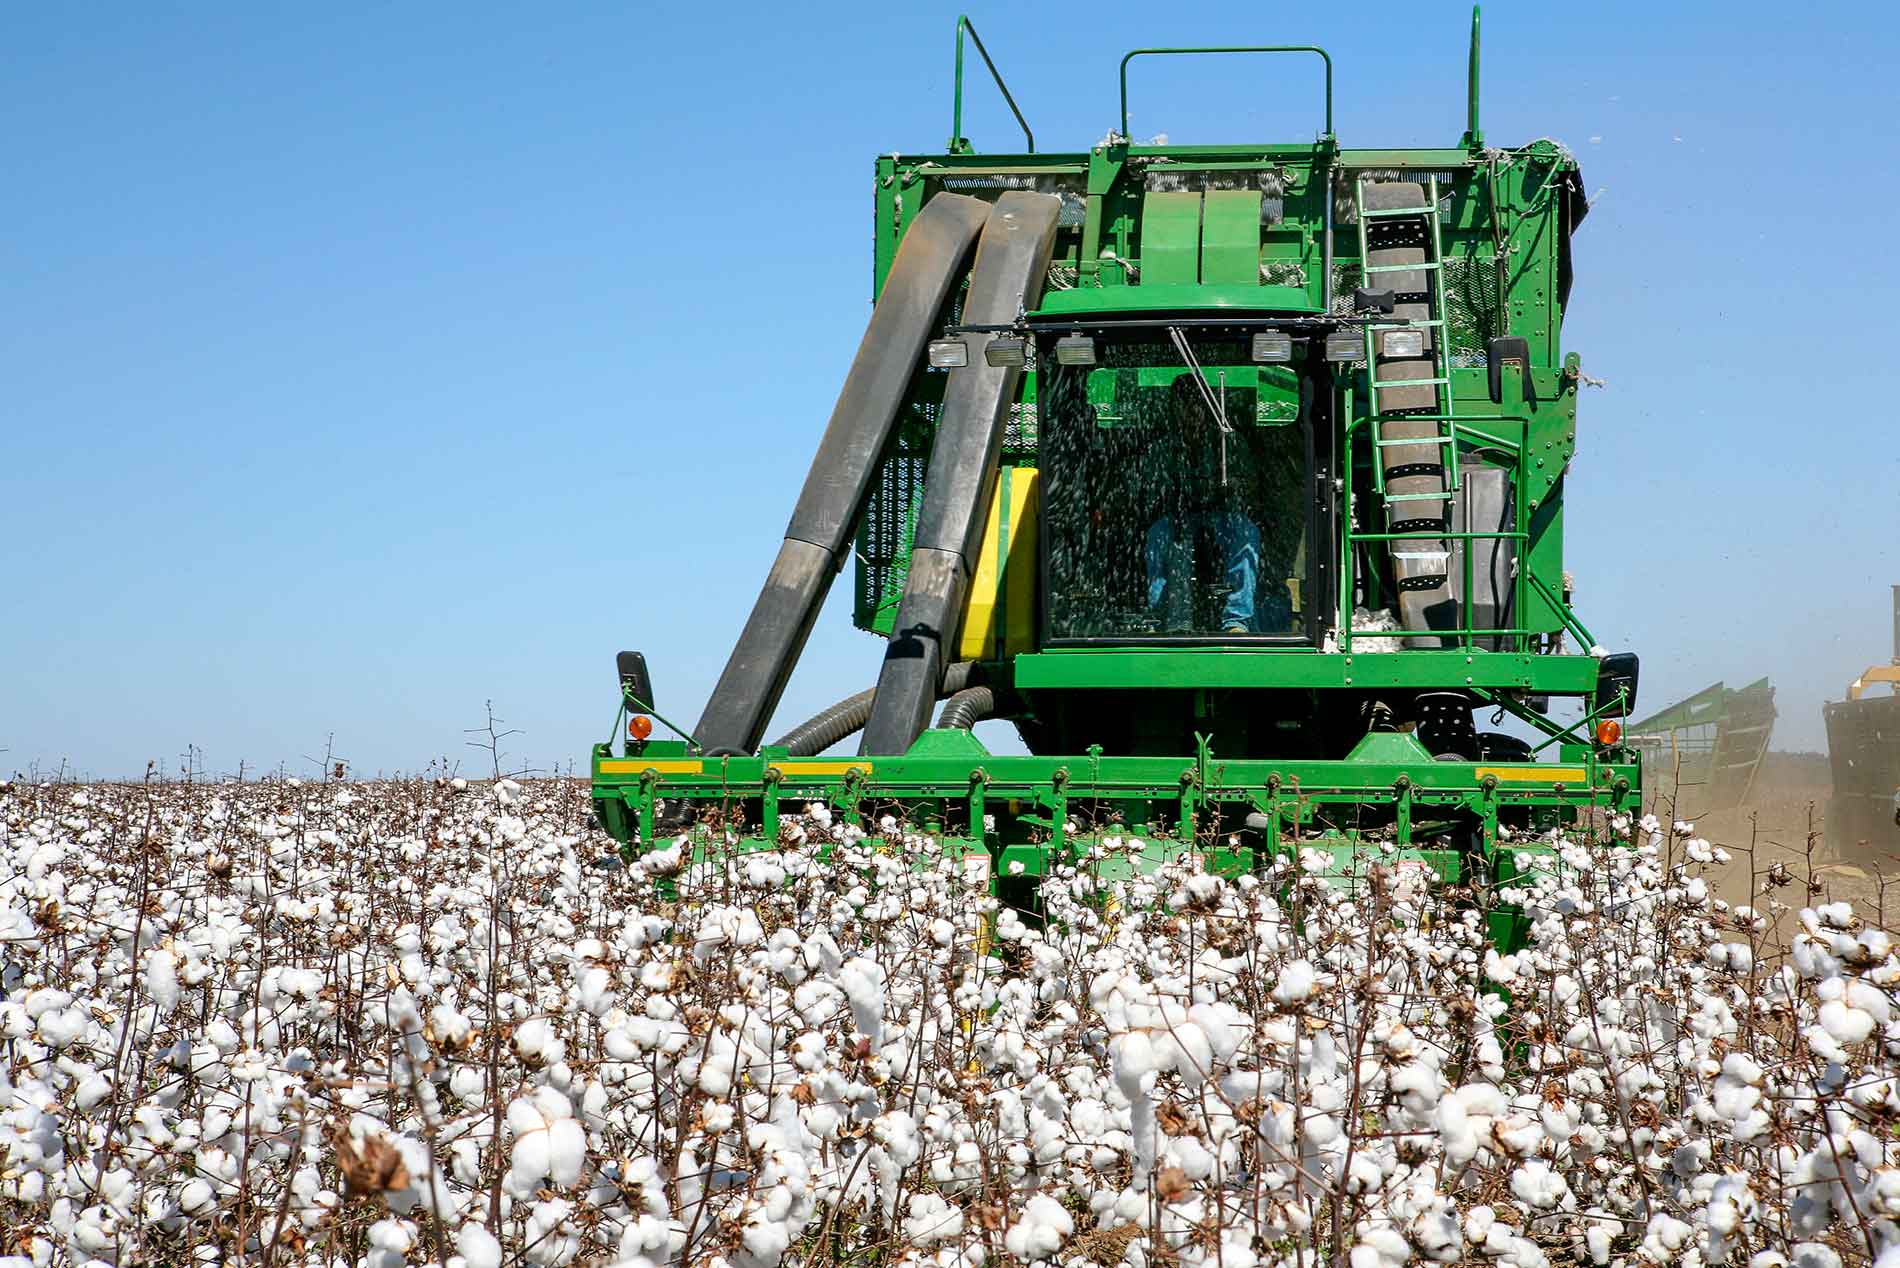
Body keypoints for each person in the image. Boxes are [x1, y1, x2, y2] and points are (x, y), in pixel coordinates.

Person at [1142, 373, 1291, 635]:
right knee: (1159, 535)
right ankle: (1165, 618)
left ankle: (1236, 620)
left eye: (1197, 403)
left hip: (1222, 516)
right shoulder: (1161, 448)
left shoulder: (1230, 443)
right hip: (1176, 518)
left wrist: (1230, 488)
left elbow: (1250, 489)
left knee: (1246, 533)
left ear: (1209, 406)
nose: (1190, 411)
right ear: (1173, 409)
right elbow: (1147, 492)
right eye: (1183, 404)